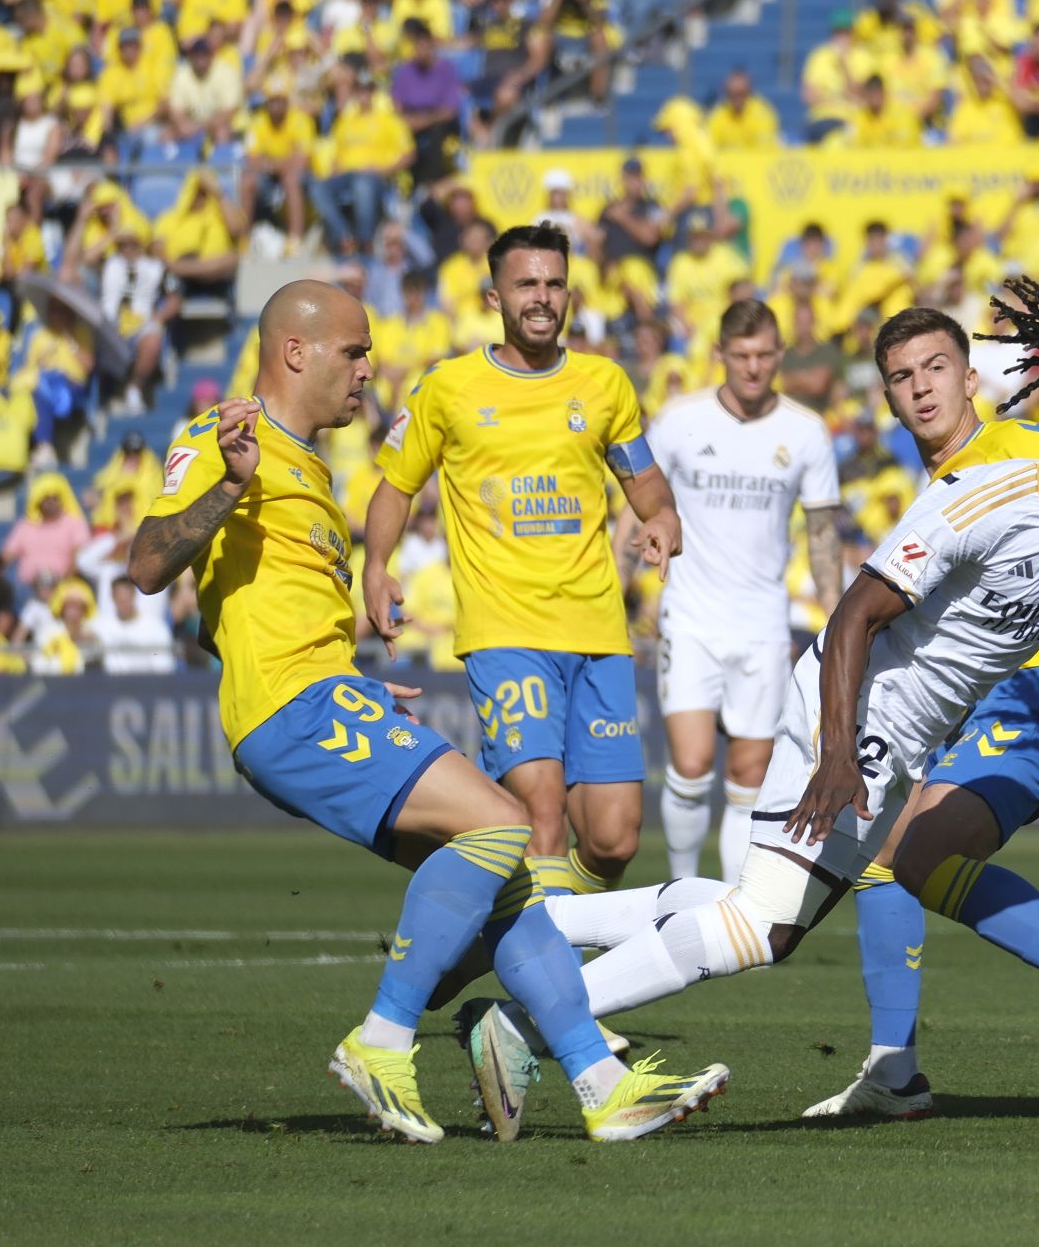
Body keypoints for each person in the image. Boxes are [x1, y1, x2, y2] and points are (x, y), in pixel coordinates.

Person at [459, 281, 1039, 1140]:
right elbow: (857, 612)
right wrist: (836, 751)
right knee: (757, 924)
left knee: (762, 919)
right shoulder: (987, 499)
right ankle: (526, 1025)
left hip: (904, 743)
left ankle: (537, 938)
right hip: (851, 715)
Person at [128, 280, 722, 1143]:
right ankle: (383, 1037)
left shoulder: (307, 465)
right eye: (355, 350)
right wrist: (228, 484)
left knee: (509, 889)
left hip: (322, 694)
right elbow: (148, 563)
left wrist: (349, 677)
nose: (371, 367)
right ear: (296, 350)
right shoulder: (230, 441)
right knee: (501, 824)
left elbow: (234, 609)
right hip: (291, 708)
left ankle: (602, 1085)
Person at [366, 224, 681, 898]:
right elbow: (395, 485)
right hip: (505, 633)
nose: (542, 297)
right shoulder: (448, 387)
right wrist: (376, 566)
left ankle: (511, 943)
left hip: (598, 633)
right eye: (526, 284)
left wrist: (663, 516)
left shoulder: (603, 384)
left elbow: (644, 481)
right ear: (493, 296)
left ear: (569, 292)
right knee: (539, 817)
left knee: (613, 839)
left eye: (554, 282)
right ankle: (549, 998)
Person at [617, 299, 843, 883]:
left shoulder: (806, 432)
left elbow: (822, 532)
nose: (752, 366)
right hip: (690, 615)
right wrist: (619, 583)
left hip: (762, 622)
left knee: (748, 774)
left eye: (764, 354)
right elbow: (637, 501)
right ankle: (680, 886)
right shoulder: (679, 421)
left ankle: (733, 904)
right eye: (741, 355)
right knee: (689, 767)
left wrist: (837, 612)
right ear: (720, 354)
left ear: (779, 356)